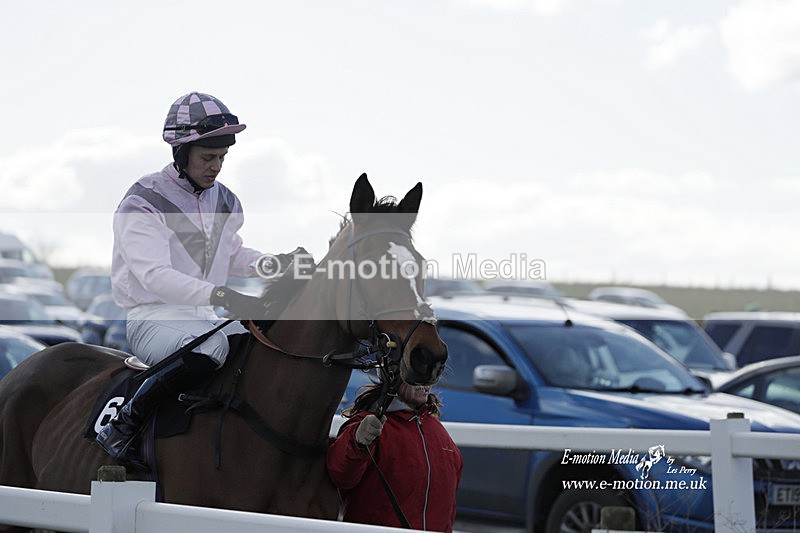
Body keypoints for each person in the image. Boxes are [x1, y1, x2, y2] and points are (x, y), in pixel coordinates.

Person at [96, 91, 305, 465]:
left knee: (264, 344)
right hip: (153, 316)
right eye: (208, 157)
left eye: (222, 157)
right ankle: (125, 422)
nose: (217, 166)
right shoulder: (143, 200)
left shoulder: (223, 199)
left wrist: (276, 264)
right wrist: (223, 296)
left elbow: (232, 255)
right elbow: (156, 276)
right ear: (180, 154)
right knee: (211, 350)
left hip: (204, 316)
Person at [327, 382, 463, 532]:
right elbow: (340, 475)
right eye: (418, 374)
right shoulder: (368, 424)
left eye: (432, 375)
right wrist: (357, 442)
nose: (427, 383)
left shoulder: (439, 433)